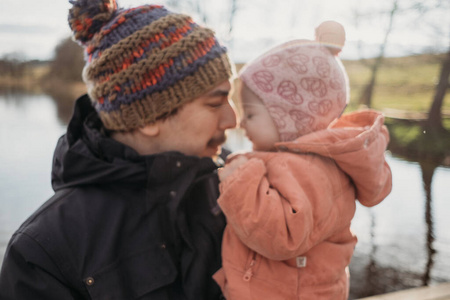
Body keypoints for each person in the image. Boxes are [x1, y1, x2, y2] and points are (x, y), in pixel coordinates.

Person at [0, 1, 237, 299]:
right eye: (215, 103)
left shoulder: (243, 184)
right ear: (150, 115)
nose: (233, 119)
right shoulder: (42, 253)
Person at [212, 21, 393, 300]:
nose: (241, 124)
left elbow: (282, 234)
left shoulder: (310, 170)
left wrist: (238, 179)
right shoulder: (296, 161)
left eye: (251, 115)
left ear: (291, 117)